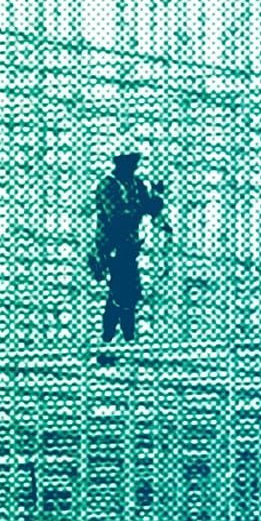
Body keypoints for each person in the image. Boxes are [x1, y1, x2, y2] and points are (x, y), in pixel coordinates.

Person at [86, 144, 171, 362]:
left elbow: (148, 208)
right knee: (122, 295)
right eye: (130, 161)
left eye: (135, 160)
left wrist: (156, 201)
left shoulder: (136, 184)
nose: (134, 165)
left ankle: (117, 344)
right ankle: (117, 343)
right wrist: (143, 209)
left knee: (126, 296)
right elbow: (118, 218)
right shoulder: (108, 186)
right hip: (112, 249)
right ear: (119, 162)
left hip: (129, 249)